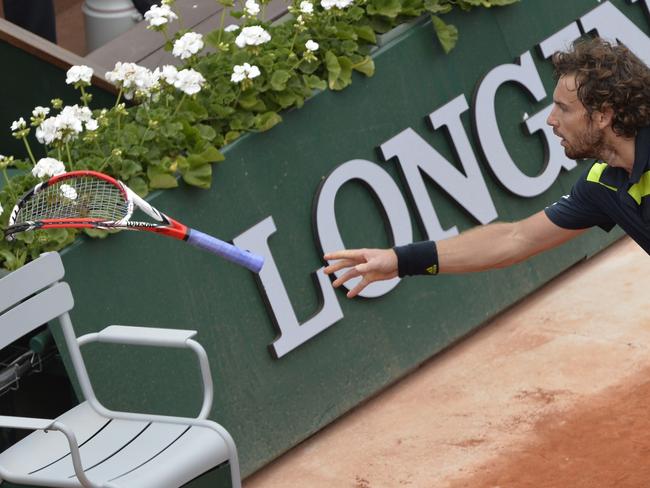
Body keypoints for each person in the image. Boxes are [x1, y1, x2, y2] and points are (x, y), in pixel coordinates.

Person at [323, 36, 650, 298]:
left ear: (603, 115)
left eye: (563, 109)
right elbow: (516, 238)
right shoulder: (602, 184)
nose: (550, 120)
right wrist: (400, 260)